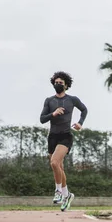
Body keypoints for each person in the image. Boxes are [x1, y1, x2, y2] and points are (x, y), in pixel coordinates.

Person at [40, 71, 88, 211]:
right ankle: (67, 195)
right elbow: (42, 119)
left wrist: (80, 123)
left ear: (66, 85)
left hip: (65, 136)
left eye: (61, 83)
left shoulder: (72, 99)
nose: (58, 85)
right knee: (58, 167)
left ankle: (58, 192)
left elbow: (84, 110)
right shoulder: (49, 100)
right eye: (56, 83)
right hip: (52, 137)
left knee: (54, 162)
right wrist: (53, 114)